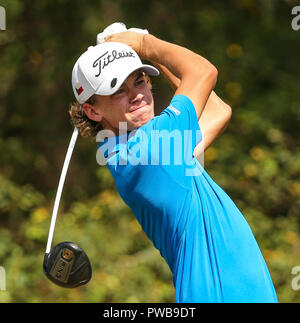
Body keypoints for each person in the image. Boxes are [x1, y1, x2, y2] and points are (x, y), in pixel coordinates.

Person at [69, 26, 278, 303]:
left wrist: (147, 55)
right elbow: (204, 72)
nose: (136, 95)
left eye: (140, 80)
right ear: (93, 110)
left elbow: (218, 110)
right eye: (118, 90)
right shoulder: (151, 147)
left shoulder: (132, 150)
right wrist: (145, 42)